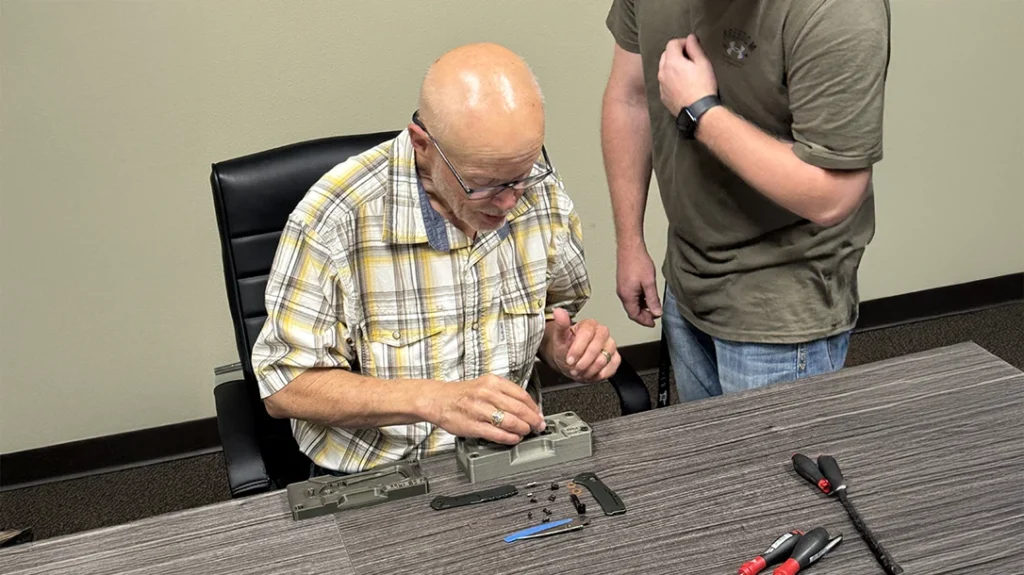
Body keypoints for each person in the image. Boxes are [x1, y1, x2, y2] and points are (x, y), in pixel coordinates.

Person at [251, 43, 621, 477]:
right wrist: (432, 400)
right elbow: (284, 385)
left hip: (509, 454)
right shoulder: (336, 218)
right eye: (483, 185)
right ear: (423, 144)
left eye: (522, 176)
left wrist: (562, 348)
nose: (508, 202)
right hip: (381, 476)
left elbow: (550, 315)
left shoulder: (541, 196)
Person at [601, 1, 890, 401]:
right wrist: (630, 244)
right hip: (687, 276)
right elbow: (629, 98)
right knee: (709, 456)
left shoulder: (840, 11)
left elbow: (832, 194)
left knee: (775, 464)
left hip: (783, 296)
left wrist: (700, 111)